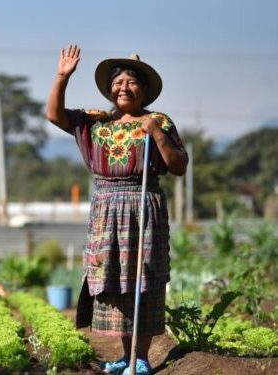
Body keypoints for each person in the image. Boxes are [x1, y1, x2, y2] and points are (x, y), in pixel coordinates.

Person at [46, 45, 188, 375]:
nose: (124, 87)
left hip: (143, 206)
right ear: (110, 88)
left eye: (132, 82)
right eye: (118, 82)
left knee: (143, 278)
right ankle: (125, 356)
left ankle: (140, 358)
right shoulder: (97, 122)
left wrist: (155, 134)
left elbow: (179, 165)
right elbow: (55, 115)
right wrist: (62, 77)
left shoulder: (159, 121)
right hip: (106, 207)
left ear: (145, 89)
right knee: (112, 278)